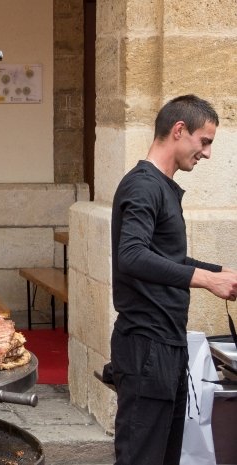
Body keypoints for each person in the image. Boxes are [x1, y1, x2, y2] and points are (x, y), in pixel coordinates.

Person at [109, 94, 237, 464]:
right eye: (205, 141)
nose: (207, 153)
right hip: (146, 347)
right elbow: (131, 256)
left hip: (164, 346)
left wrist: (219, 273)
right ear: (179, 130)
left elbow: (164, 258)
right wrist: (205, 280)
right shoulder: (143, 186)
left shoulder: (160, 186)